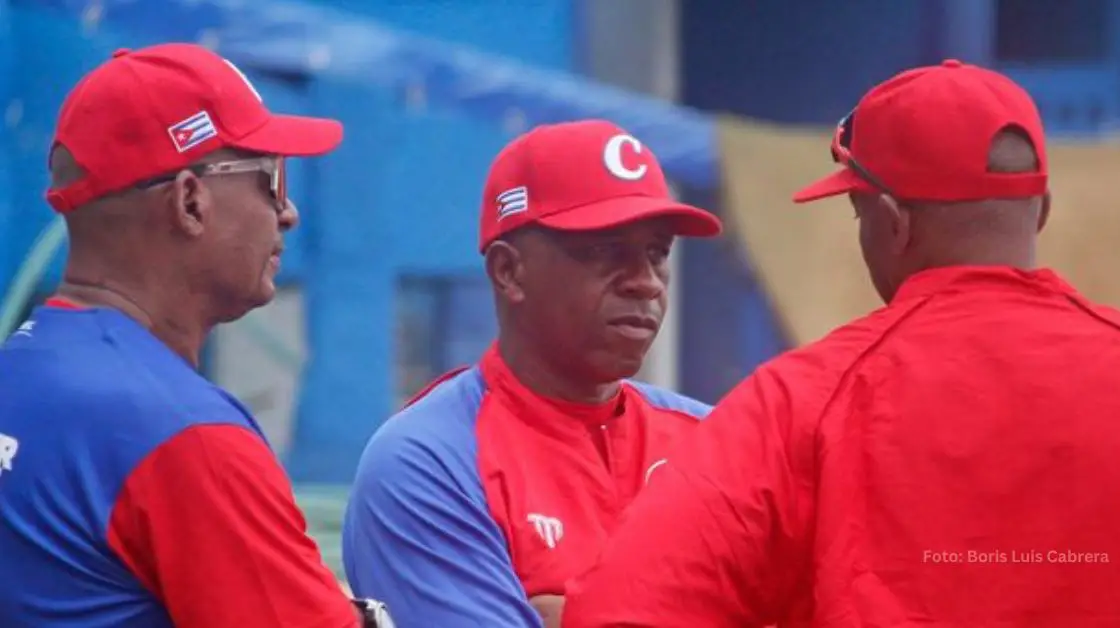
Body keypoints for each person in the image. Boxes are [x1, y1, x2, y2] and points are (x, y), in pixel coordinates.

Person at [562, 60, 1120, 627]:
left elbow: (624, 614)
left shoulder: (798, 405)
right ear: (1041, 211)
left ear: (892, 225)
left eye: (859, 216)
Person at [0, 43, 392, 627]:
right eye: (271, 177)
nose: (288, 213)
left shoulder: (19, 372)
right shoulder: (181, 433)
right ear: (190, 201)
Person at [341, 119, 723, 627]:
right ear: (508, 271)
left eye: (656, 252)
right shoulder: (426, 462)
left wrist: (572, 618)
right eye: (606, 250)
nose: (645, 282)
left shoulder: (717, 440)